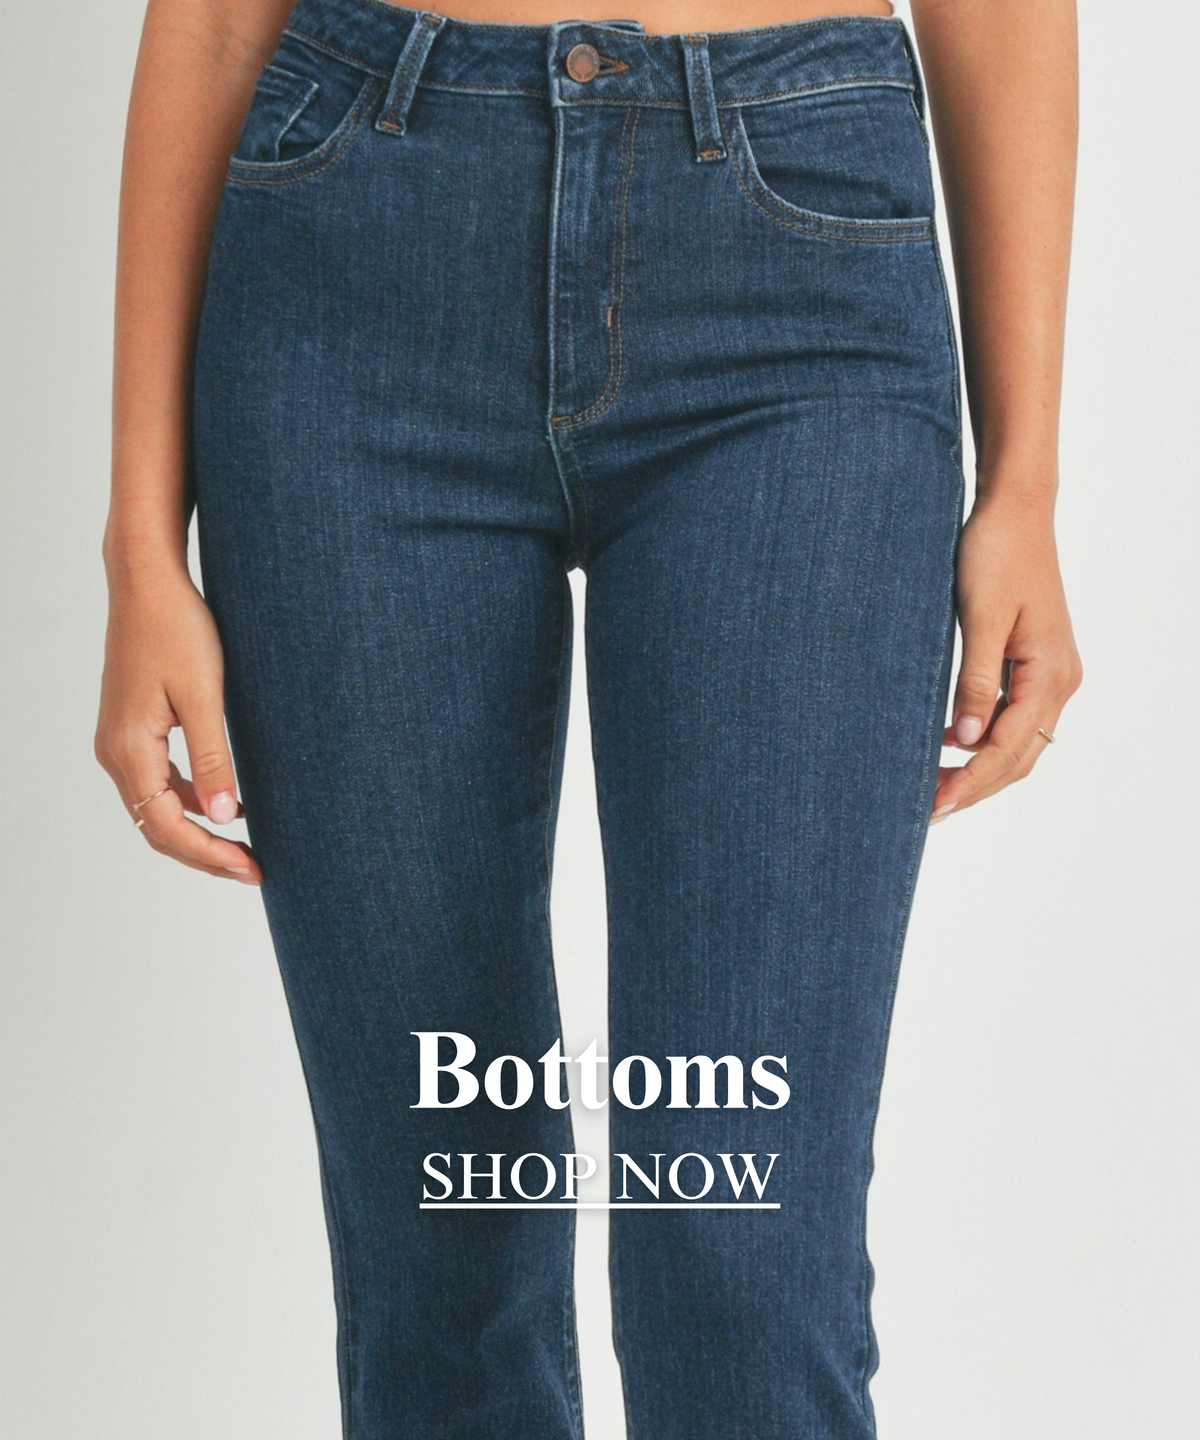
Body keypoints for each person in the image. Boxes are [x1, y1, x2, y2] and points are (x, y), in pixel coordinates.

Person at [94, 0, 1083, 1435]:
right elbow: (210, 22)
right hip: (351, 269)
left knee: (741, 1246)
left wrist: (1025, 484)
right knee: (440, 1235)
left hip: (795, 282)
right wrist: (138, 542)